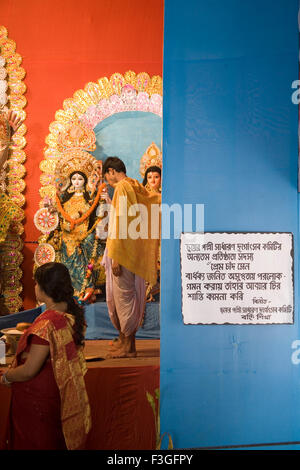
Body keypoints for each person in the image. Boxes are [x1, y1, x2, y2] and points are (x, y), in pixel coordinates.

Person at [0, 262, 91, 450]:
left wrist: (7, 376)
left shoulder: (48, 323)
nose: (34, 287)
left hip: (39, 399)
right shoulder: (71, 315)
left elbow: (30, 370)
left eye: (35, 283)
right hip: (59, 393)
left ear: (44, 287)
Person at [102, 157, 161, 358]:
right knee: (127, 297)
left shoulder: (122, 188)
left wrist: (116, 256)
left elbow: (121, 222)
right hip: (133, 252)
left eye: (107, 177)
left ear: (111, 171)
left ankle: (129, 347)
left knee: (124, 299)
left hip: (123, 253)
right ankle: (126, 343)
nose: (108, 182)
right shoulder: (135, 185)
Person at [42, 150, 107, 302]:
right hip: (67, 232)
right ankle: (73, 289)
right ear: (69, 181)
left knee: (88, 243)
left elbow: (95, 215)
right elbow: (59, 214)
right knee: (66, 247)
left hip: (84, 232)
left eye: (80, 179)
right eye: (74, 178)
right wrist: (52, 209)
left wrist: (103, 199)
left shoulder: (89, 198)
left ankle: (87, 287)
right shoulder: (64, 198)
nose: (77, 181)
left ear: (85, 181)